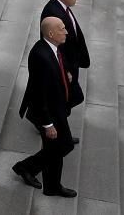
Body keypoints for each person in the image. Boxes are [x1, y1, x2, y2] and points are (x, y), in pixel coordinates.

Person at [12, 17, 78, 198]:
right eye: (62, 29)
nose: (66, 32)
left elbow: (56, 70)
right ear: (50, 33)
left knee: (59, 148)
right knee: (60, 147)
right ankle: (32, 173)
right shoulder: (41, 56)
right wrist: (48, 124)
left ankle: (32, 172)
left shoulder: (53, 47)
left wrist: (66, 74)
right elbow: (38, 93)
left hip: (57, 108)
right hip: (47, 113)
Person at [41, 0, 89, 120]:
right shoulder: (53, 12)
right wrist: (65, 69)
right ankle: (53, 124)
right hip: (64, 65)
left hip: (70, 62)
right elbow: (56, 44)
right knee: (65, 97)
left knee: (69, 97)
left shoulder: (62, 8)